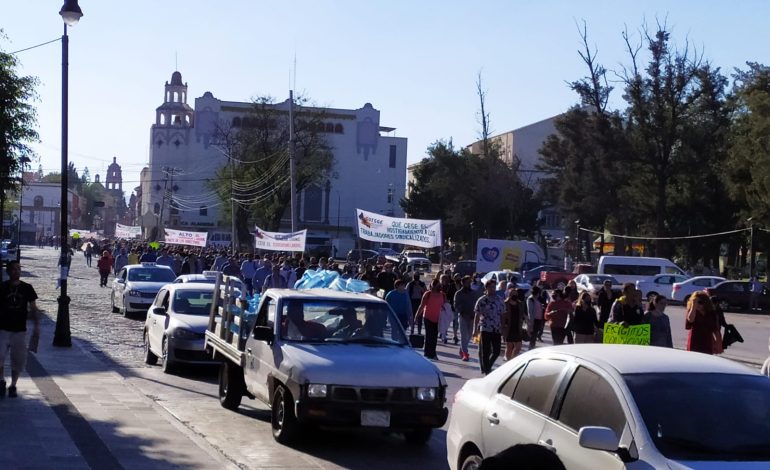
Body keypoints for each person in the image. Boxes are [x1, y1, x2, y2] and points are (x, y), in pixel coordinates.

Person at [0, 260, 40, 398]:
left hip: (20, 330)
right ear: (8, 271)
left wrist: (36, 327)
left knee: (18, 360)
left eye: (18, 269)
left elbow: (34, 308)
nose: (16, 271)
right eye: (13, 269)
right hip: (3, 328)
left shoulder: (27, 288)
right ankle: (1, 381)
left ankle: (13, 385)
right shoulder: (3, 287)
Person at [473, 279, 505, 374]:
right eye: (491, 287)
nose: (493, 289)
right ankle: (487, 370)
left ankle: (488, 366)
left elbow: (503, 314)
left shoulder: (499, 300)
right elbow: (477, 315)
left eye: (494, 287)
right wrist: (475, 330)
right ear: (486, 288)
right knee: (485, 351)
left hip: (496, 328)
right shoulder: (482, 300)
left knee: (496, 351)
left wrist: (502, 327)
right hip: (485, 328)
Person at [415, 279, 446, 360]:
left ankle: (432, 353)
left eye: (439, 285)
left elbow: (445, 306)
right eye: (437, 285)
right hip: (428, 317)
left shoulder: (442, 295)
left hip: (437, 319)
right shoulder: (428, 294)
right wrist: (417, 316)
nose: (438, 286)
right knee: (429, 336)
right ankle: (427, 353)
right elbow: (421, 306)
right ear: (432, 286)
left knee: (434, 337)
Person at [454, 275, 480, 361]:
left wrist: (476, 314)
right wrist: (462, 310)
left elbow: (477, 305)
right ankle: (465, 353)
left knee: (469, 335)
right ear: (463, 283)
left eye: (470, 282)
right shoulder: (458, 293)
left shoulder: (474, 293)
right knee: (463, 335)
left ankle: (462, 349)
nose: (469, 283)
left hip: (472, 317)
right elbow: (456, 305)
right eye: (467, 282)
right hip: (463, 317)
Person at [501, 289, 526, 360]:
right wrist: (502, 327)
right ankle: (508, 360)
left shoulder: (520, 303)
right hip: (508, 327)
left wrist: (526, 319)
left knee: (518, 346)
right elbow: (502, 316)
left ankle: (512, 359)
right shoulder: (505, 303)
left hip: (517, 327)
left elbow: (522, 313)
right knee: (509, 346)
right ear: (509, 295)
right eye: (512, 294)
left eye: (515, 294)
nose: (514, 295)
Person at [526, 286, 544, 350]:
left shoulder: (536, 299)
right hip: (534, 320)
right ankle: (530, 349)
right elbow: (530, 312)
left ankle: (531, 348)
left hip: (538, 320)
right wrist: (531, 324)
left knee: (534, 336)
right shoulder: (530, 299)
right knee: (532, 337)